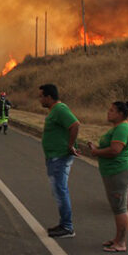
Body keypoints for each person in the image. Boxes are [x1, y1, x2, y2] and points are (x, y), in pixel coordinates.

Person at [87, 101, 128, 253]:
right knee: (117, 207)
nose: (108, 112)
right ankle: (117, 239)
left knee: (120, 207)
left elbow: (115, 150)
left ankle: (121, 243)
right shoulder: (118, 127)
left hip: (118, 172)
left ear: (120, 114)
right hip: (112, 172)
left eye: (112, 110)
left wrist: (96, 152)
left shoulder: (122, 128)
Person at [38, 84, 80, 238]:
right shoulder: (55, 110)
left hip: (59, 157)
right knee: (59, 191)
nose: (40, 99)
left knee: (60, 191)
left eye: (41, 96)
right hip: (54, 157)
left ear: (49, 97)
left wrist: (70, 145)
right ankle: (64, 224)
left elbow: (75, 125)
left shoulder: (60, 109)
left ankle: (67, 227)